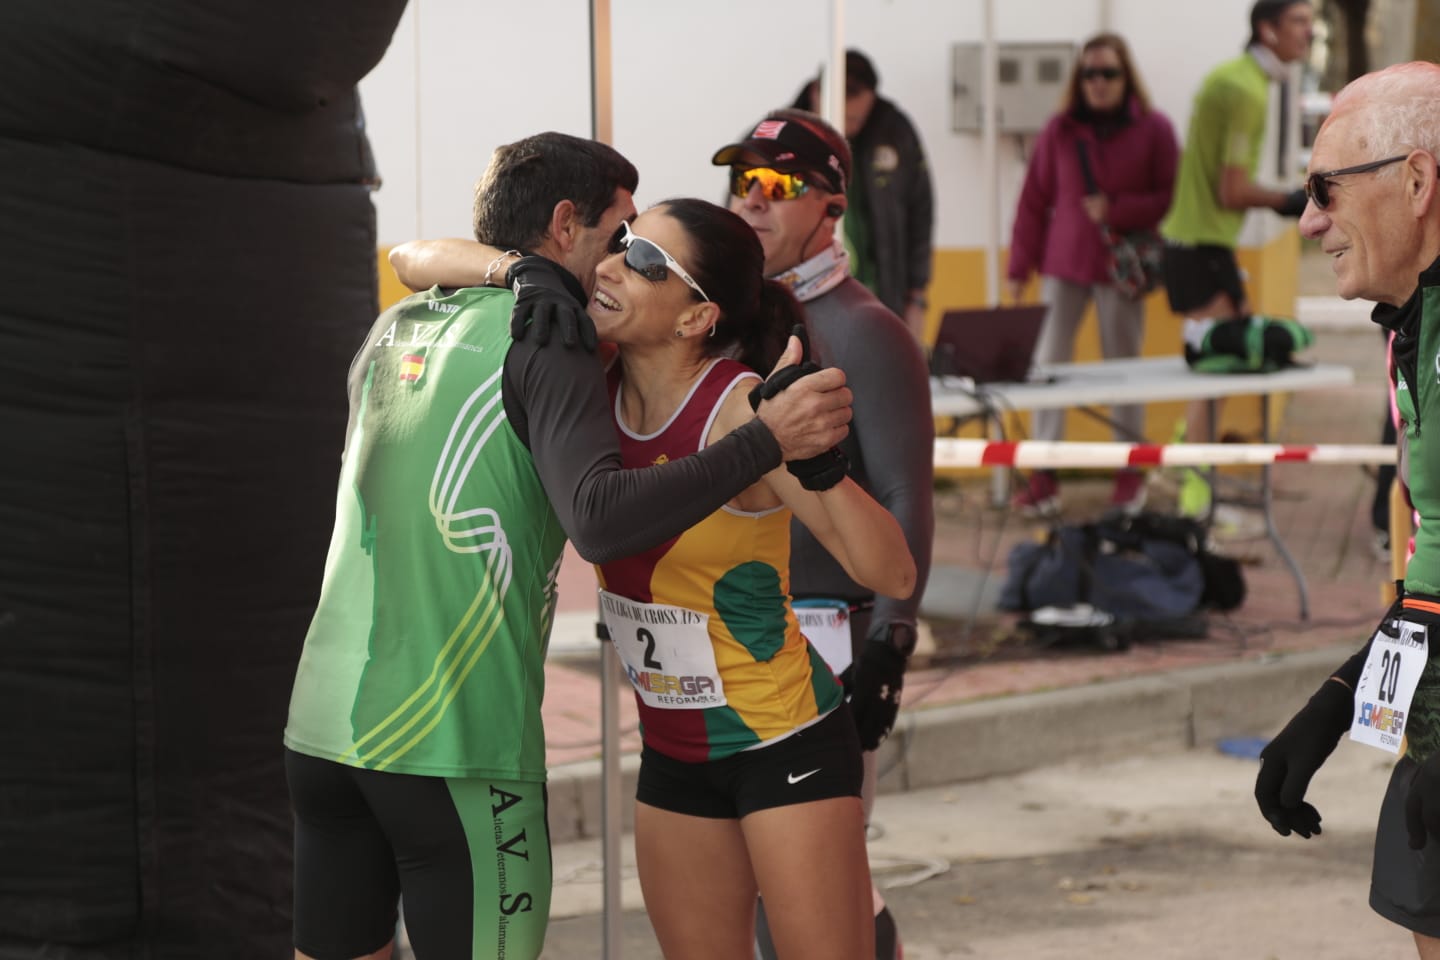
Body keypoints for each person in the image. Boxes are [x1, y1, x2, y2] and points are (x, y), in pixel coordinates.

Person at [282, 132, 855, 960]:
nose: (623, 260)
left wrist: (514, 270)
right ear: (563, 226)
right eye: (620, 235)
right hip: (452, 739)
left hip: (323, 727)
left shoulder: (400, 318)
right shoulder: (549, 335)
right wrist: (760, 444)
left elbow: (412, 254)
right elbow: (599, 518)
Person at [589, 197, 915, 960]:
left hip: (783, 740)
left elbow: (890, 566)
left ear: (695, 318)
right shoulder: (587, 403)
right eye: (623, 241)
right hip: (672, 752)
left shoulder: (741, 412)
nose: (611, 263)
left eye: (643, 261)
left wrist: (818, 465)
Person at [714, 108, 935, 960]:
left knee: (817, 891)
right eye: (742, 180)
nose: (753, 201)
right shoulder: (729, 322)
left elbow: (902, 496)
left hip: (828, 639)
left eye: (778, 185)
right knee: (751, 888)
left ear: (833, 205)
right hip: (732, 633)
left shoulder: (865, 329)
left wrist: (893, 645)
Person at [1253, 61, 1440, 958]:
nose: (1310, 220)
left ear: (1417, 179)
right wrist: (1337, 704)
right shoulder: (1418, 321)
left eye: (1326, 189)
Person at [1006, 32, 1179, 516]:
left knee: (1124, 370)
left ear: (1126, 77)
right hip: (1064, 266)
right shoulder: (1060, 130)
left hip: (1120, 272)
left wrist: (1118, 209)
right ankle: (1044, 474)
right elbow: (1033, 201)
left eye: (1108, 73)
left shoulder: (1154, 129)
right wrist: (1019, 266)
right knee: (1048, 369)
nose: (1098, 83)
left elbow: (1169, 196)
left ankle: (1129, 470)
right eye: (1089, 74)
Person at [1160, 0, 1313, 515]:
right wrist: (1293, 200)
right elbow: (1232, 189)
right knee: (1215, 378)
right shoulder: (1244, 88)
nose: (1308, 34)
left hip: (1202, 243)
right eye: (1299, 22)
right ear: (1267, 31)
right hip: (1198, 245)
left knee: (1223, 368)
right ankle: (1193, 511)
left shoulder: (1236, 76)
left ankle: (1185, 469)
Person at [793, 50, 935, 342]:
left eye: (859, 118)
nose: (852, 127)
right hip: (805, 306)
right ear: (818, 94)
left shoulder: (895, 130)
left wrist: (916, 296)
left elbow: (921, 213)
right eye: (846, 117)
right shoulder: (779, 138)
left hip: (883, 300)